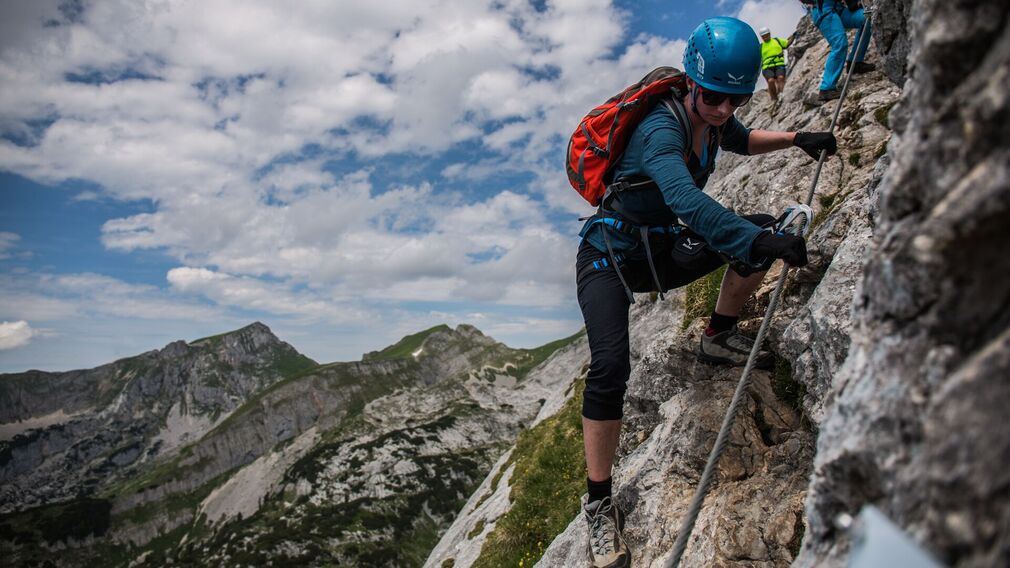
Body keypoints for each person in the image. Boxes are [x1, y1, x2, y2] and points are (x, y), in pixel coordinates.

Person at [574, 17, 837, 568]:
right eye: (714, 97)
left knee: (759, 236)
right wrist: (755, 238)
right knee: (610, 367)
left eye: (736, 99)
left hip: (659, 249)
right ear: (692, 83)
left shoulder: (715, 119)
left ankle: (717, 337)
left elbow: (742, 139)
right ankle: (598, 504)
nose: (723, 110)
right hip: (608, 255)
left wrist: (798, 139)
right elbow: (685, 201)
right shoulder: (661, 129)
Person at [807, 0, 875, 101]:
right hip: (824, 11)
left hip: (838, 8)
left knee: (867, 18)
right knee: (839, 44)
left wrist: (855, 4)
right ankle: (826, 89)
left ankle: (855, 63)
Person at [759, 26, 790, 103]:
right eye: (763, 36)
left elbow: (787, 43)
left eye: (766, 35)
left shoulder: (777, 40)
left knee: (780, 78)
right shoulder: (761, 46)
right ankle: (774, 99)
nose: (765, 37)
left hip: (779, 64)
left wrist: (794, 35)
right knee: (771, 81)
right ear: (761, 37)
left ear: (769, 34)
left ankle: (782, 94)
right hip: (767, 67)